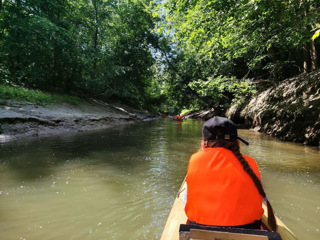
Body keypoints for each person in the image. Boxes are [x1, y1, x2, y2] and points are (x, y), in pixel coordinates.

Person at [184, 116, 277, 231]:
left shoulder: (194, 160)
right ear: (237, 142)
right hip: (249, 231)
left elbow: (187, 202)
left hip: (200, 230)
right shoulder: (250, 163)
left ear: (204, 143)